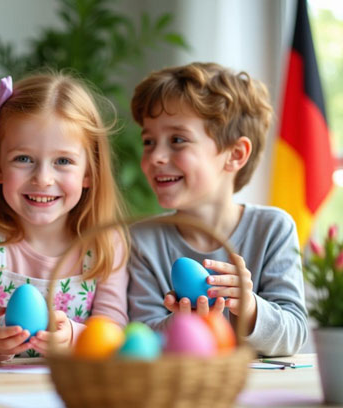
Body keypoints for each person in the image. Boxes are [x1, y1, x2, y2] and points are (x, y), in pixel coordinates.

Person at [128, 62, 308, 356]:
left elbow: (294, 334)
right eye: (149, 141)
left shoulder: (273, 228)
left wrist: (248, 306)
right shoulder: (141, 240)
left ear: (235, 155)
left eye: (177, 140)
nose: (156, 156)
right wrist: (184, 324)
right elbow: (138, 336)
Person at [0, 73, 129, 362]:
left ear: (89, 172)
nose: (43, 179)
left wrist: (73, 337)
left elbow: (113, 333)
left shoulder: (105, 241)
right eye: (23, 159)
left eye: (63, 161)